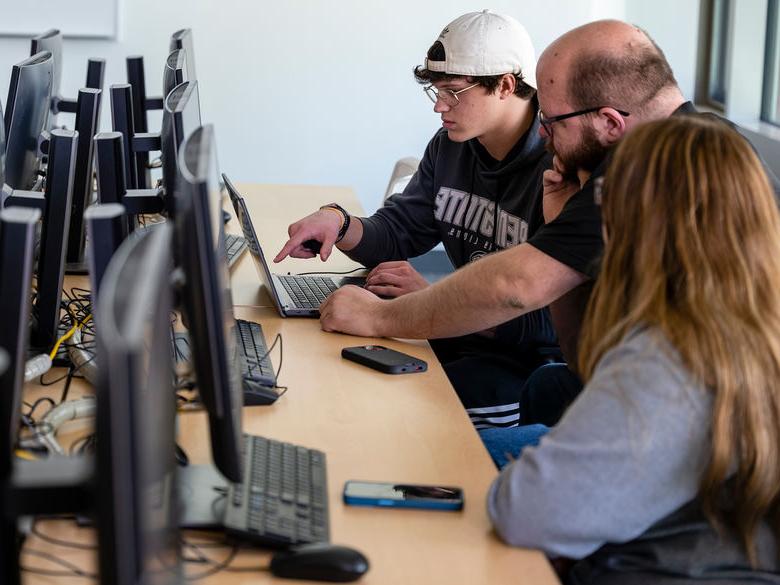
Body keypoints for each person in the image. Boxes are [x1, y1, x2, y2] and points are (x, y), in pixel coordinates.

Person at [488, 115, 780, 584]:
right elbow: (587, 366)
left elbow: (522, 511)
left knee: (466, 462)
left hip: (657, 566)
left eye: (605, 199)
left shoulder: (672, 356)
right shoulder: (744, 316)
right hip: (717, 545)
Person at [275, 10, 559, 428]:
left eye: (453, 93)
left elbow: (548, 323)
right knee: (343, 376)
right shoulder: (452, 146)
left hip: (528, 370)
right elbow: (400, 231)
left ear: (505, 85)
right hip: (462, 337)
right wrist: (339, 223)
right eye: (436, 92)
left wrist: (432, 298)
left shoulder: (560, 169)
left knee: (396, 416)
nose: (440, 107)